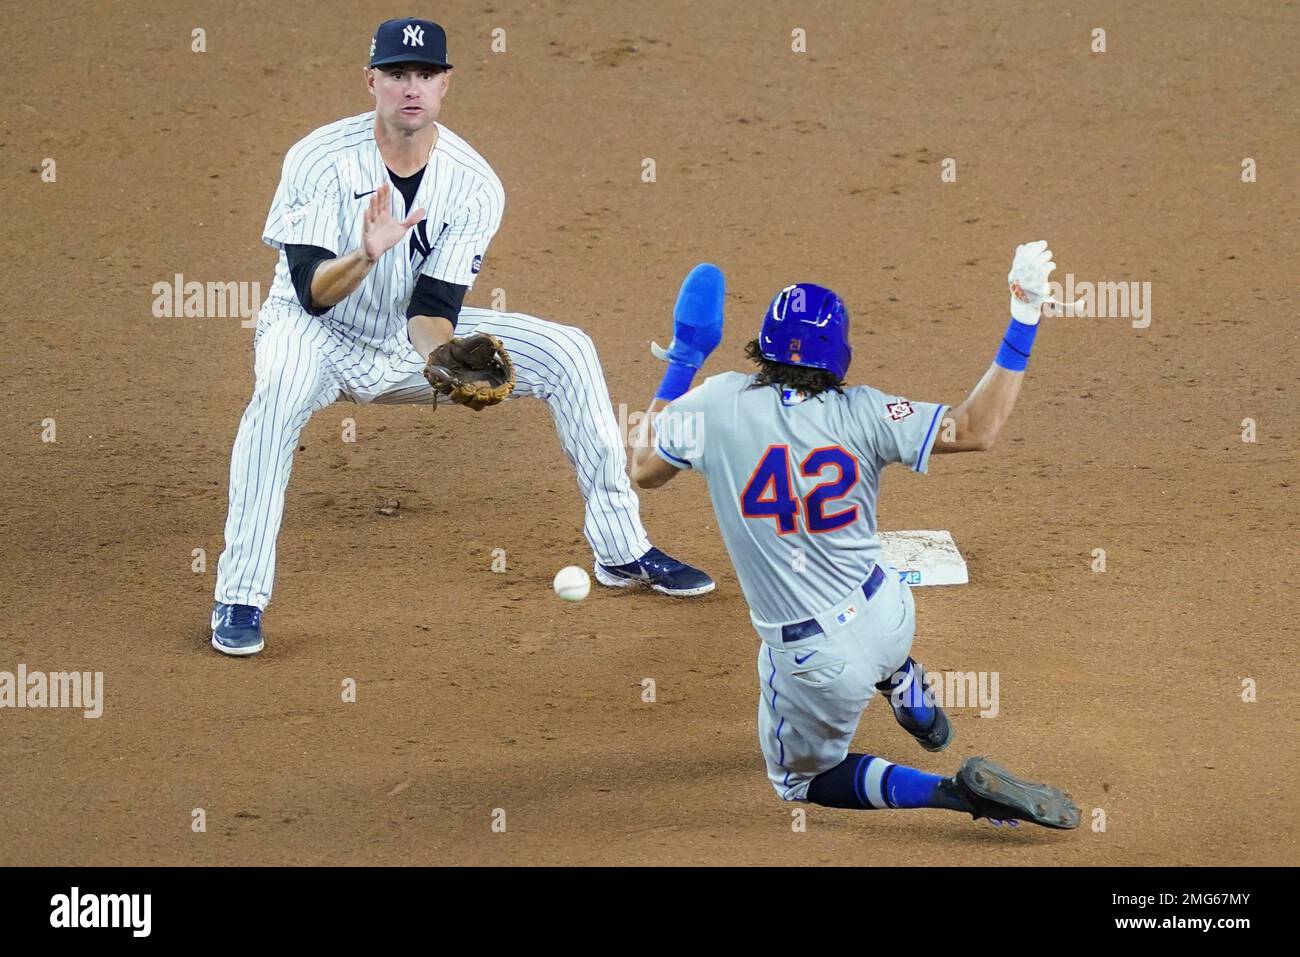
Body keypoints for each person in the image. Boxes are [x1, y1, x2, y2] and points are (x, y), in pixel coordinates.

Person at [210, 17, 712, 657]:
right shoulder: (318, 159)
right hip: (312, 333)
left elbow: (432, 306)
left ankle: (621, 550)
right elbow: (311, 290)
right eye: (396, 74)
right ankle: (240, 595)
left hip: (402, 335)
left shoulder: (474, 184)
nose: (410, 88)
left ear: (445, 84)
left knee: (569, 351)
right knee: (273, 404)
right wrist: (364, 255)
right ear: (371, 81)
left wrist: (441, 356)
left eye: (425, 75)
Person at [628, 249, 1081, 828]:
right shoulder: (868, 411)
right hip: (889, 611)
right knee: (876, 641)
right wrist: (1024, 316)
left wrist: (684, 360)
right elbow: (976, 428)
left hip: (815, 662)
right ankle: (906, 690)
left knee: (802, 780)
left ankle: (955, 794)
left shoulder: (715, 404)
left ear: (762, 344)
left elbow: (644, 469)